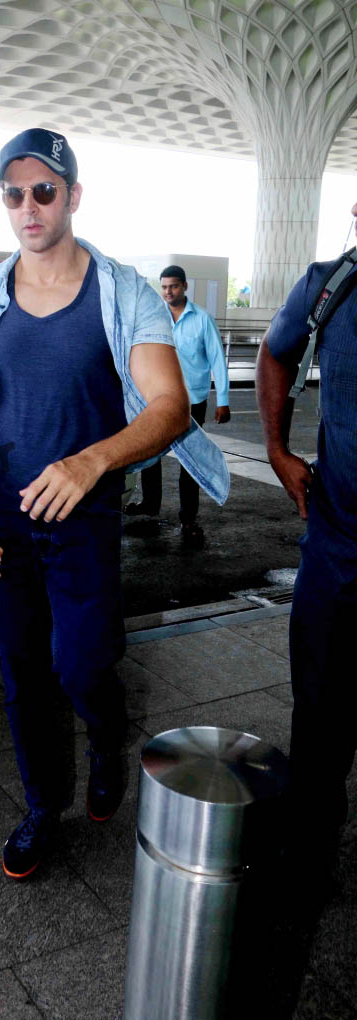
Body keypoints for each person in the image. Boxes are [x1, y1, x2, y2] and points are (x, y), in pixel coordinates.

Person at [0, 128, 229, 879]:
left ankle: (105, 734)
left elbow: (168, 407)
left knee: (82, 662)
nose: (28, 207)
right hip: (0, 516)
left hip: (83, 514)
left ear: (73, 195)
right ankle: (41, 806)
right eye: (13, 193)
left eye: (44, 191)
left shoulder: (124, 291)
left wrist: (91, 460)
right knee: (24, 671)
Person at [256, 200, 357, 861]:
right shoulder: (330, 286)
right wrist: (276, 448)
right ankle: (311, 830)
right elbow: (274, 355)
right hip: (335, 542)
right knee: (318, 704)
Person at [125, 265, 230, 548]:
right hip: (155, 398)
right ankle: (150, 503)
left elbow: (218, 360)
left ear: (184, 286)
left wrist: (223, 401)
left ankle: (189, 518)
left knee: (190, 461)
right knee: (150, 452)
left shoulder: (202, 320)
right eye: (163, 287)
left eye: (173, 286)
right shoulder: (153, 318)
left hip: (192, 401)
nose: (167, 292)